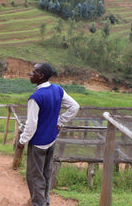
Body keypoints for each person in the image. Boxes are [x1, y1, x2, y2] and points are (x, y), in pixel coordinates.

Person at [17, 63, 79, 206]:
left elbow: (31, 125)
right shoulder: (57, 89)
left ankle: (39, 203)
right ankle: (45, 201)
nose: (30, 74)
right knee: (46, 174)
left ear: (41, 76)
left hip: (38, 143)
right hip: (51, 139)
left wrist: (22, 141)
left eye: (34, 72)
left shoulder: (36, 97)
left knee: (35, 177)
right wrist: (61, 122)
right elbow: (75, 107)